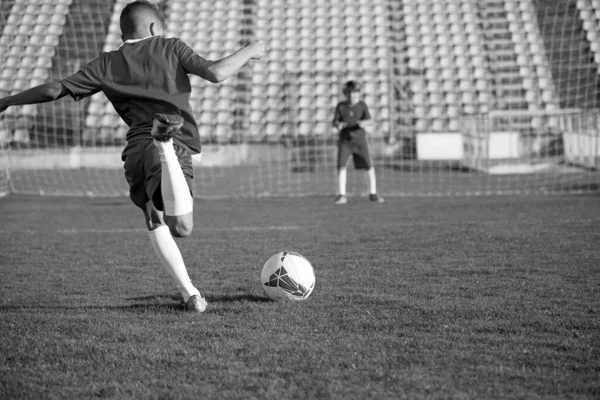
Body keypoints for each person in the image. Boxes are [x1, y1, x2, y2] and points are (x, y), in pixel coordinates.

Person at [0, 0, 265, 312]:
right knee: (182, 227)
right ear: (154, 28)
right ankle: (164, 143)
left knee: (154, 217)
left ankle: (190, 294)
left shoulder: (107, 62)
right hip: (170, 140)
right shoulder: (171, 46)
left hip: (135, 151)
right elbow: (216, 73)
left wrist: (7, 101)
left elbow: (52, 90)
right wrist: (251, 49)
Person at [331, 80, 384, 204]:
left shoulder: (362, 105)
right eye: (350, 93)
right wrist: (338, 125)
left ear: (359, 93)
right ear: (346, 93)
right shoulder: (341, 106)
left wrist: (364, 123)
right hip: (345, 141)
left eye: (355, 93)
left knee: (368, 165)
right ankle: (341, 194)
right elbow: (335, 122)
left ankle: (373, 193)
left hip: (360, 141)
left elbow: (370, 120)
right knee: (341, 166)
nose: (353, 95)